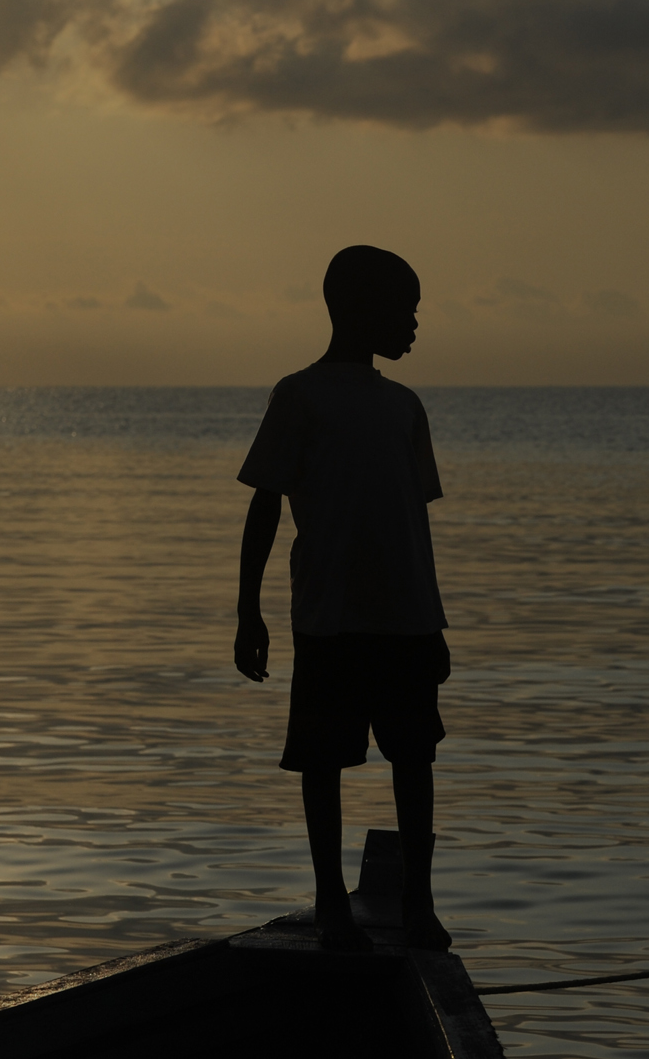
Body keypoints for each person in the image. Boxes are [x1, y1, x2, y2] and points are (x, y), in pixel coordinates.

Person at [234, 244, 453, 952]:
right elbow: (265, 504)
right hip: (330, 619)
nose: (414, 324)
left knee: (413, 759)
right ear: (359, 311)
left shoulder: (404, 407)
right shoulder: (300, 396)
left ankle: (418, 903)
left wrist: (436, 624)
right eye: (404, 309)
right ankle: (332, 899)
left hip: (406, 620)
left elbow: (412, 528)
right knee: (322, 762)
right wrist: (249, 609)